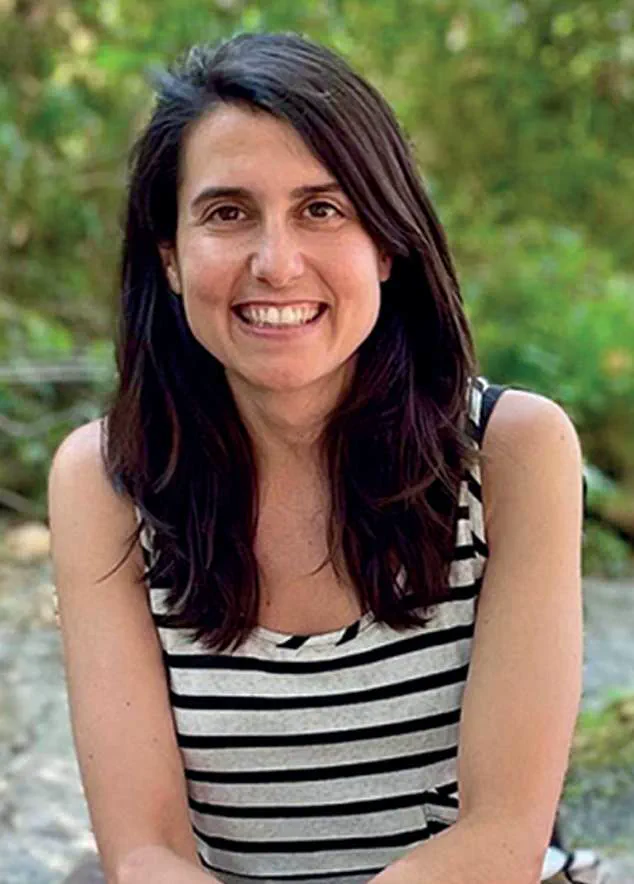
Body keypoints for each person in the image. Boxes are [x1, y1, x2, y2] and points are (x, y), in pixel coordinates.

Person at [48, 32, 603, 884]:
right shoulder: (106, 481)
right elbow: (145, 850)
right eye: (228, 213)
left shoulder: (512, 451)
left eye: (322, 210)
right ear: (170, 257)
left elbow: (502, 839)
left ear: (385, 243)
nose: (276, 264)